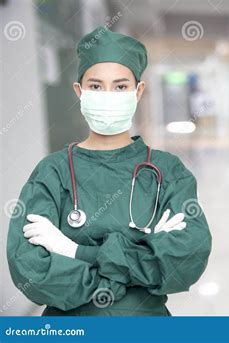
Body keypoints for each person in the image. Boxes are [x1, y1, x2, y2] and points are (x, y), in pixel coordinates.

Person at [6, 26, 212, 316]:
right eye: (95, 86)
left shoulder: (167, 172)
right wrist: (144, 256)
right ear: (79, 92)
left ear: (138, 91)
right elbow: (29, 268)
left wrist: (75, 251)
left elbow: (187, 258)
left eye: (120, 86)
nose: (107, 95)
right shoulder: (52, 172)